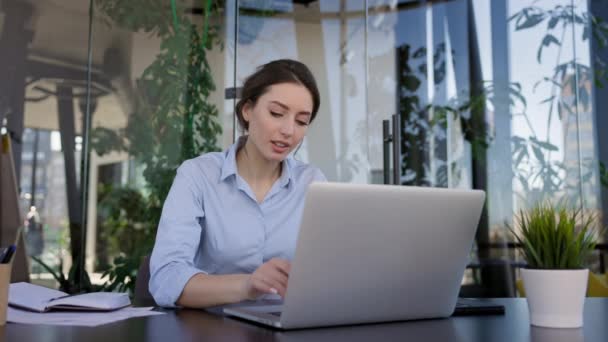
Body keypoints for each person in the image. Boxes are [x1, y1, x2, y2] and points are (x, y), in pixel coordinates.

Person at [149, 59, 326, 308]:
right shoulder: (197, 175)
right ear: (247, 110)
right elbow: (166, 280)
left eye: (301, 121)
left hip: (287, 326)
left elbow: (328, 273)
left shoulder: (313, 183)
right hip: (209, 330)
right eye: (276, 113)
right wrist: (247, 285)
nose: (288, 130)